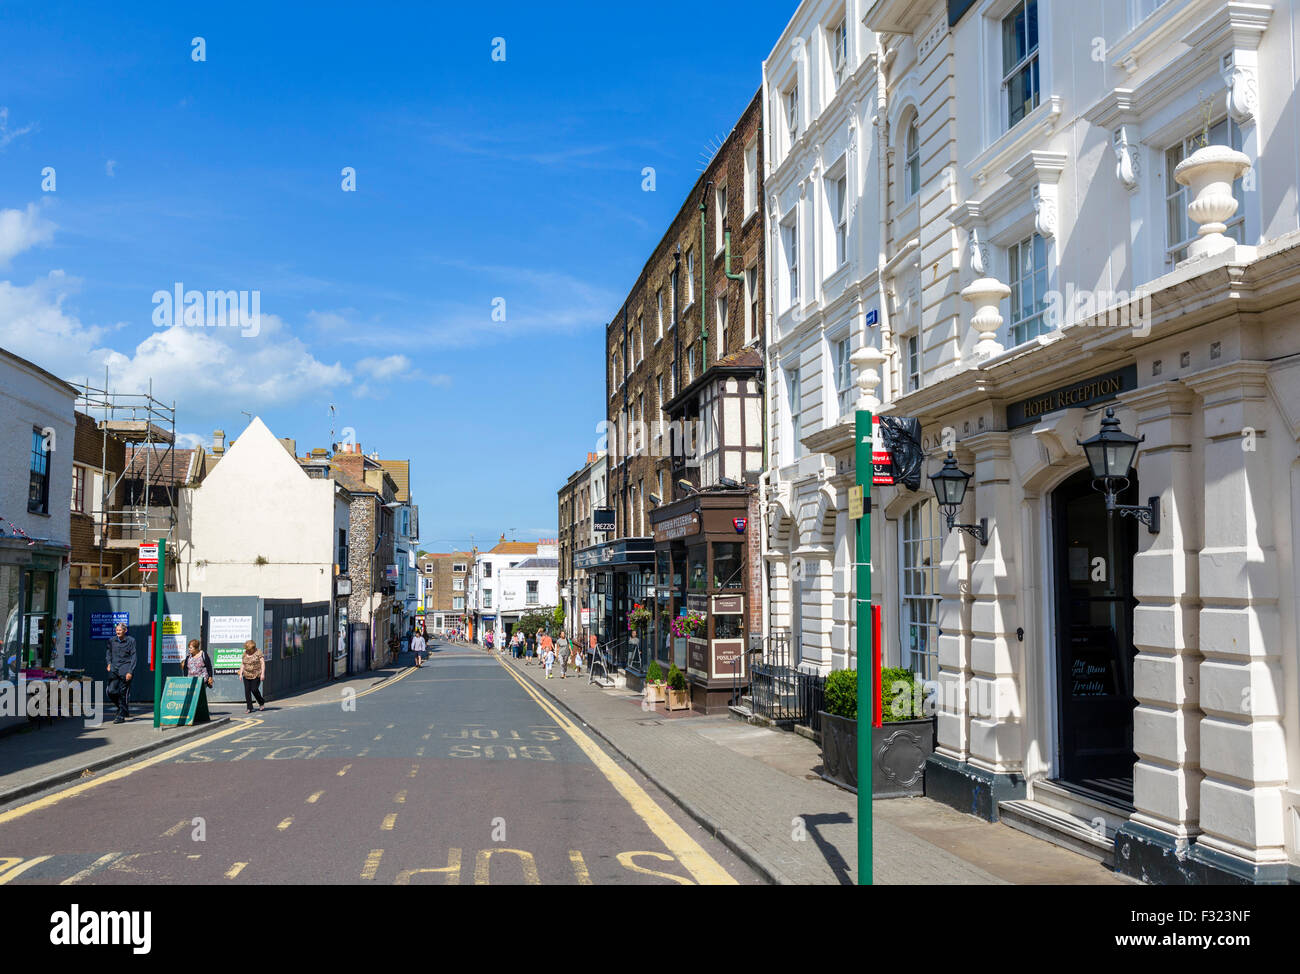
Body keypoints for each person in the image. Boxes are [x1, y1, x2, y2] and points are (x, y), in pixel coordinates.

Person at [105, 622, 136, 724]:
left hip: (125, 669)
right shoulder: (111, 640)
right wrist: (109, 663)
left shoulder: (131, 641)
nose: (118, 632)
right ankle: (122, 708)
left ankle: (121, 716)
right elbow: (108, 653)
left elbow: (134, 657)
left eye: (120, 630)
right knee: (111, 691)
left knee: (123, 693)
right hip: (114, 669)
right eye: (117, 630)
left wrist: (130, 671)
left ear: (125, 631)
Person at [240, 639, 266, 713]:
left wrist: (262, 673)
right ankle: (249, 707)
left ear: (253, 647)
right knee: (247, 691)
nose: (248, 650)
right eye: (247, 649)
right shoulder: (245, 653)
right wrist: (241, 673)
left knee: (254, 689)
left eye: (250, 649)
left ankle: (261, 702)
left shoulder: (258, 652)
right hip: (246, 674)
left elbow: (262, 663)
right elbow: (243, 664)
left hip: (256, 674)